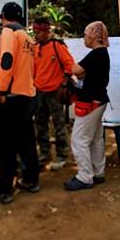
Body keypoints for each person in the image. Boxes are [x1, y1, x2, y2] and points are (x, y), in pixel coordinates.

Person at [0, 2, 40, 204]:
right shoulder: (28, 37)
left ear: (4, 16)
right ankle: (31, 180)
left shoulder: (8, 32)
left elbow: (6, 61)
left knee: (6, 145)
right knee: (27, 141)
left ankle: (4, 188)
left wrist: (0, 89)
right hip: (27, 95)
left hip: (11, 97)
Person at [64, 21, 110, 191]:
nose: (84, 37)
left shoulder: (95, 55)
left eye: (85, 33)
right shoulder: (102, 53)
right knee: (96, 138)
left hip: (90, 101)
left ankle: (85, 177)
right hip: (100, 100)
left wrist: (66, 61)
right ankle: (98, 172)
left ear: (93, 35)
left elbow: (75, 69)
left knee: (79, 140)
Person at [32, 17, 75, 170]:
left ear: (46, 31)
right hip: (39, 92)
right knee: (40, 124)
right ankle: (44, 153)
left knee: (59, 125)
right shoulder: (35, 47)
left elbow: (70, 65)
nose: (35, 34)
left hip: (55, 93)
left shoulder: (57, 45)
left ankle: (62, 154)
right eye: (34, 31)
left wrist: (63, 83)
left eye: (38, 31)